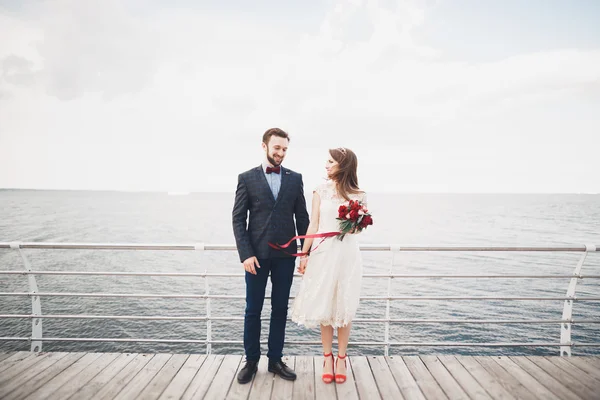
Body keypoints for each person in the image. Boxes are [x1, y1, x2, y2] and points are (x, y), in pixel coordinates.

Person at [232, 127, 310, 384]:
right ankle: (251, 362)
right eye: (277, 148)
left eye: (285, 149)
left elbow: (303, 218)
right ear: (264, 146)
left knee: (279, 309)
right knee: (253, 310)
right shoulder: (246, 178)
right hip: (256, 258)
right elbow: (238, 219)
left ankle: (275, 360)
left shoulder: (295, 178)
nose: (281, 153)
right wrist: (245, 254)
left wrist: (304, 254)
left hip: (286, 257)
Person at [290, 147, 366, 384]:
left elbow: (358, 228)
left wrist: (355, 224)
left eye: (331, 161)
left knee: (343, 305)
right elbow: (313, 224)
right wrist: (304, 255)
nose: (326, 165)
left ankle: (342, 358)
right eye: (327, 161)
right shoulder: (319, 191)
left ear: (343, 165)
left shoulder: (359, 194)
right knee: (324, 305)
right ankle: (327, 357)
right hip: (323, 253)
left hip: (346, 254)